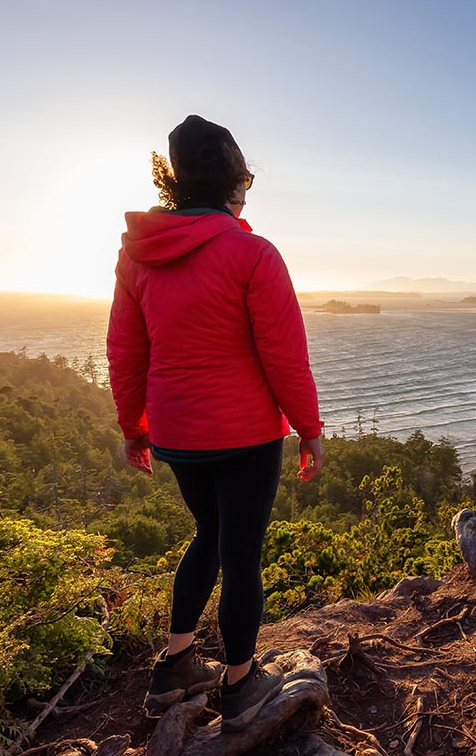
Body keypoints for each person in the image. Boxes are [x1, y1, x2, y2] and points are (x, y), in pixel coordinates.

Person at [107, 114, 324, 732]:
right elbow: (284, 353)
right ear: (233, 182)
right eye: (246, 177)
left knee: (207, 533)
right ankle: (242, 684)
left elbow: (126, 350)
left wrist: (134, 427)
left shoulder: (139, 256)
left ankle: (176, 667)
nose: (249, 189)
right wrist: (308, 427)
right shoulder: (252, 252)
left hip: (180, 435)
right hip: (246, 434)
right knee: (241, 552)